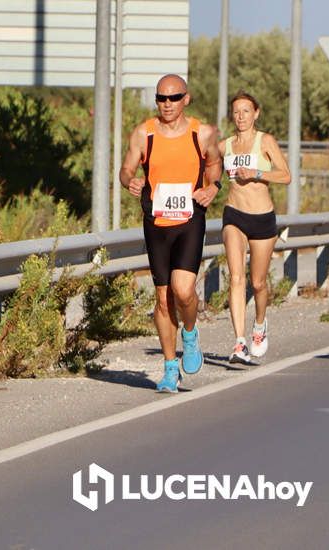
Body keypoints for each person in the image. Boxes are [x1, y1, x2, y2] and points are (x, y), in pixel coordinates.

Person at [119, 74, 222, 393]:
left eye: (174, 98)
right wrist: (130, 181)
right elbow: (126, 169)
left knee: (183, 289)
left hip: (190, 218)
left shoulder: (202, 133)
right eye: (162, 98)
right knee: (163, 299)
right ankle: (168, 368)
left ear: (186, 99)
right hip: (156, 219)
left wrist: (212, 187)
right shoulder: (144, 133)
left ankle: (189, 335)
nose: (167, 104)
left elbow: (215, 163)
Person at [219, 91, 291, 364]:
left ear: (256, 113)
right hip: (234, 214)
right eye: (236, 112)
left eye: (246, 111)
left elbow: (286, 176)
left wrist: (258, 173)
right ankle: (239, 343)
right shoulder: (224, 145)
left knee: (258, 283)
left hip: (262, 217)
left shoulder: (265, 141)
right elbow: (209, 171)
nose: (241, 117)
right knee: (237, 278)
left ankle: (259, 325)